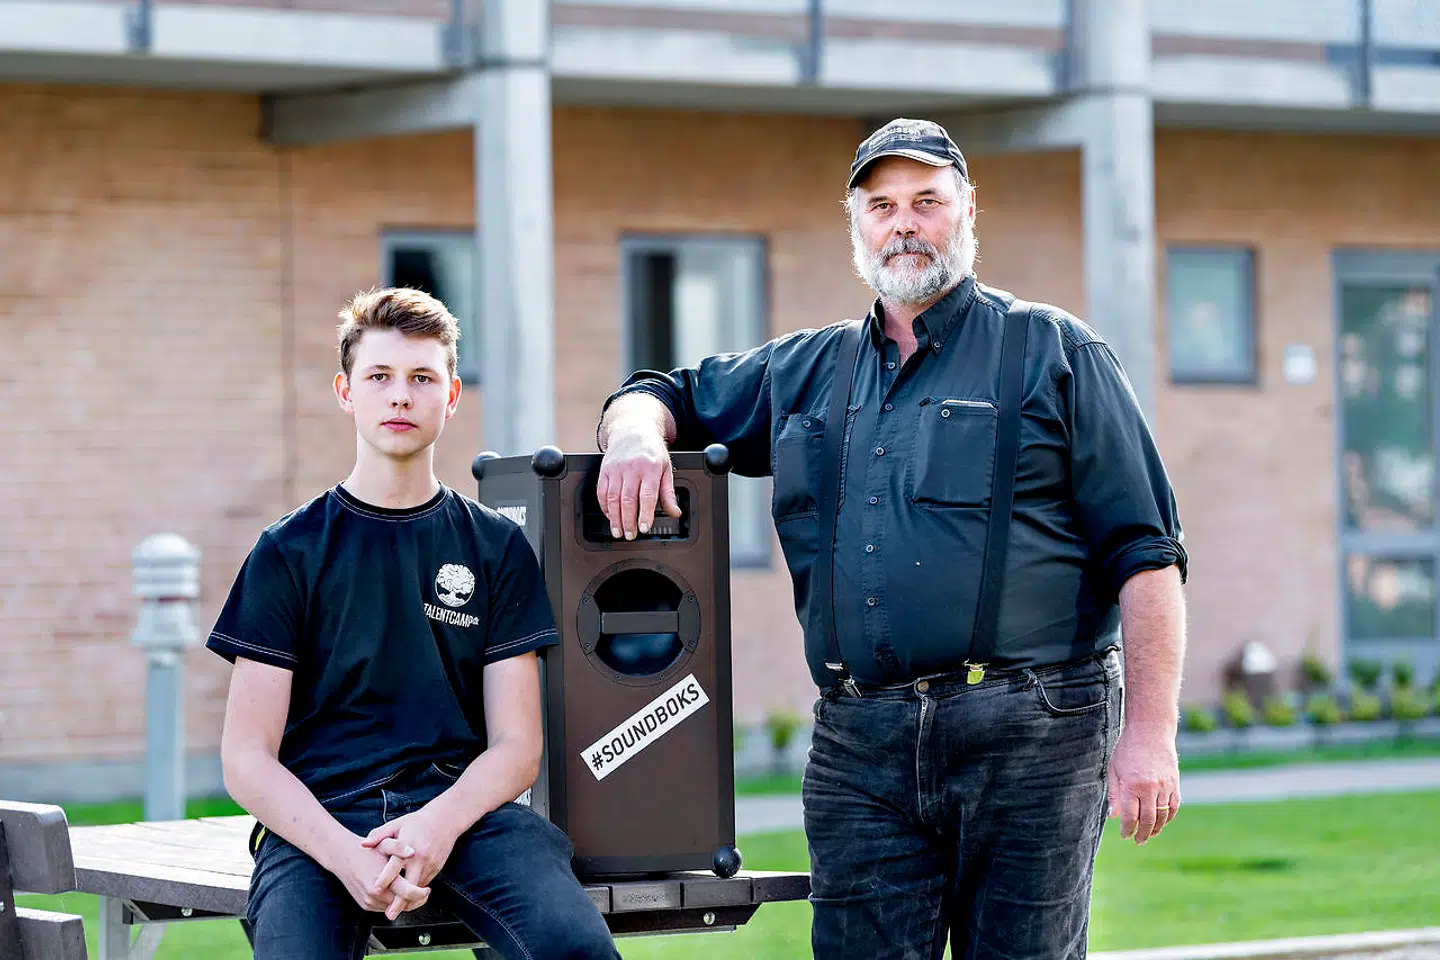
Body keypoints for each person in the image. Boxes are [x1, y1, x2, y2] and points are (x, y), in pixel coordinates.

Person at [594, 118, 1188, 959]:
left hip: (1033, 731)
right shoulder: (806, 370)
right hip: (859, 742)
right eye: (880, 206)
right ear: (856, 223)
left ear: (968, 208)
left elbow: (1147, 554)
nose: (902, 223)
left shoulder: (1054, 351)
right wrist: (636, 437)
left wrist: (1151, 738)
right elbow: (661, 390)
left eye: (925, 202)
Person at [209, 288, 619, 960]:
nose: (400, 396)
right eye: (380, 378)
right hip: (321, 821)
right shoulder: (288, 551)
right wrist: (346, 856)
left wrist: (437, 825)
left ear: (451, 396)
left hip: (462, 814)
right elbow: (246, 757)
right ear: (346, 392)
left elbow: (517, 748)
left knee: (575, 951)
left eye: (422, 378)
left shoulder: (494, 547)